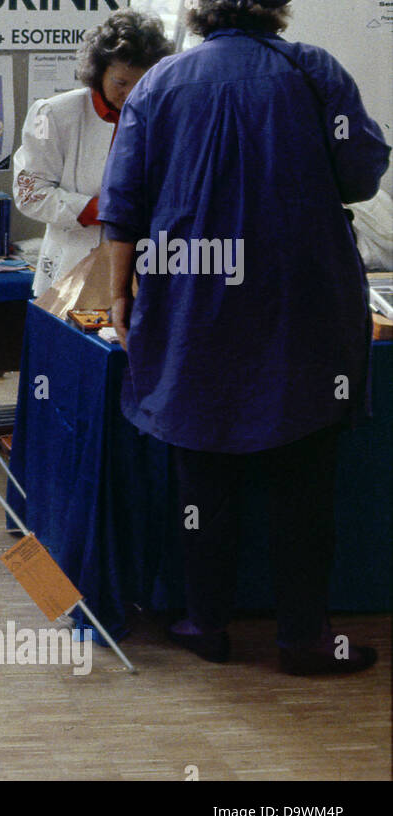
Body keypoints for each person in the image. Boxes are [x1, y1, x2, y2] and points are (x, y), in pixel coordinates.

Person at [98, 0, 390, 675]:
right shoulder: (314, 70)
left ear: (201, 12)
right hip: (301, 299)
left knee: (202, 473)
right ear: (277, 10)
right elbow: (361, 174)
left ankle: (205, 624)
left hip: (192, 304)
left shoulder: (159, 84)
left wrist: (119, 295)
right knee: (304, 479)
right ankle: (302, 639)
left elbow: (123, 205)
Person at [13, 9, 173, 297]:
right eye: (121, 83)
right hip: (70, 268)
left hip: (142, 268)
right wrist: (104, 210)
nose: (132, 95)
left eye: (143, 83)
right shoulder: (52, 113)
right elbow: (30, 194)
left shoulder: (167, 117)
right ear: (99, 72)